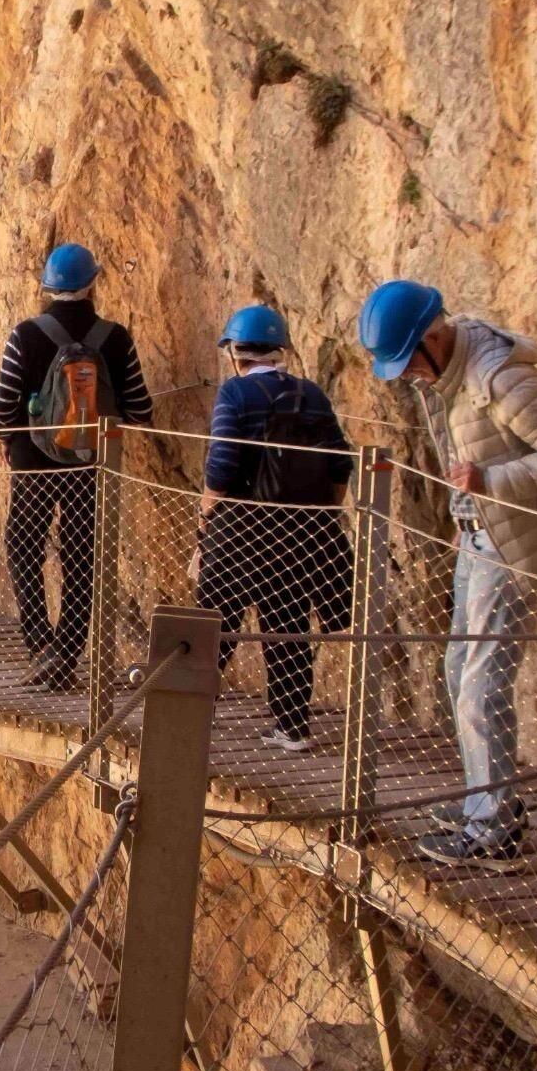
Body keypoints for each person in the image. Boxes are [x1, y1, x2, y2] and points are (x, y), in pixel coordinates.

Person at [358, 280, 537, 870]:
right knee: (459, 668)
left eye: (407, 362)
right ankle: (486, 800)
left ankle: (493, 831)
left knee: (482, 681)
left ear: (432, 338)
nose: (408, 376)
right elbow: (472, 451)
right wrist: (467, 513)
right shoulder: (451, 374)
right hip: (484, 530)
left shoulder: (499, 380)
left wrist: (489, 485)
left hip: (515, 540)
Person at [0, 243, 155, 690]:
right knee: (82, 555)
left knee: (23, 545)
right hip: (91, 464)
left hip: (34, 462)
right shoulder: (115, 338)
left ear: (48, 287)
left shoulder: (26, 335)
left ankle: (40, 643)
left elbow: (0, 409)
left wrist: (8, 438)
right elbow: (140, 409)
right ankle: (66, 652)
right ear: (92, 284)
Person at [194, 306, 353, 753]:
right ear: (280, 348)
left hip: (241, 525)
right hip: (299, 529)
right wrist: (323, 512)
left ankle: (191, 711)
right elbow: (341, 463)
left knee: (213, 623)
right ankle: (292, 726)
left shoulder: (236, 394)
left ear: (235, 352)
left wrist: (206, 514)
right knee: (287, 624)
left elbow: (222, 466)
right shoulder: (311, 394)